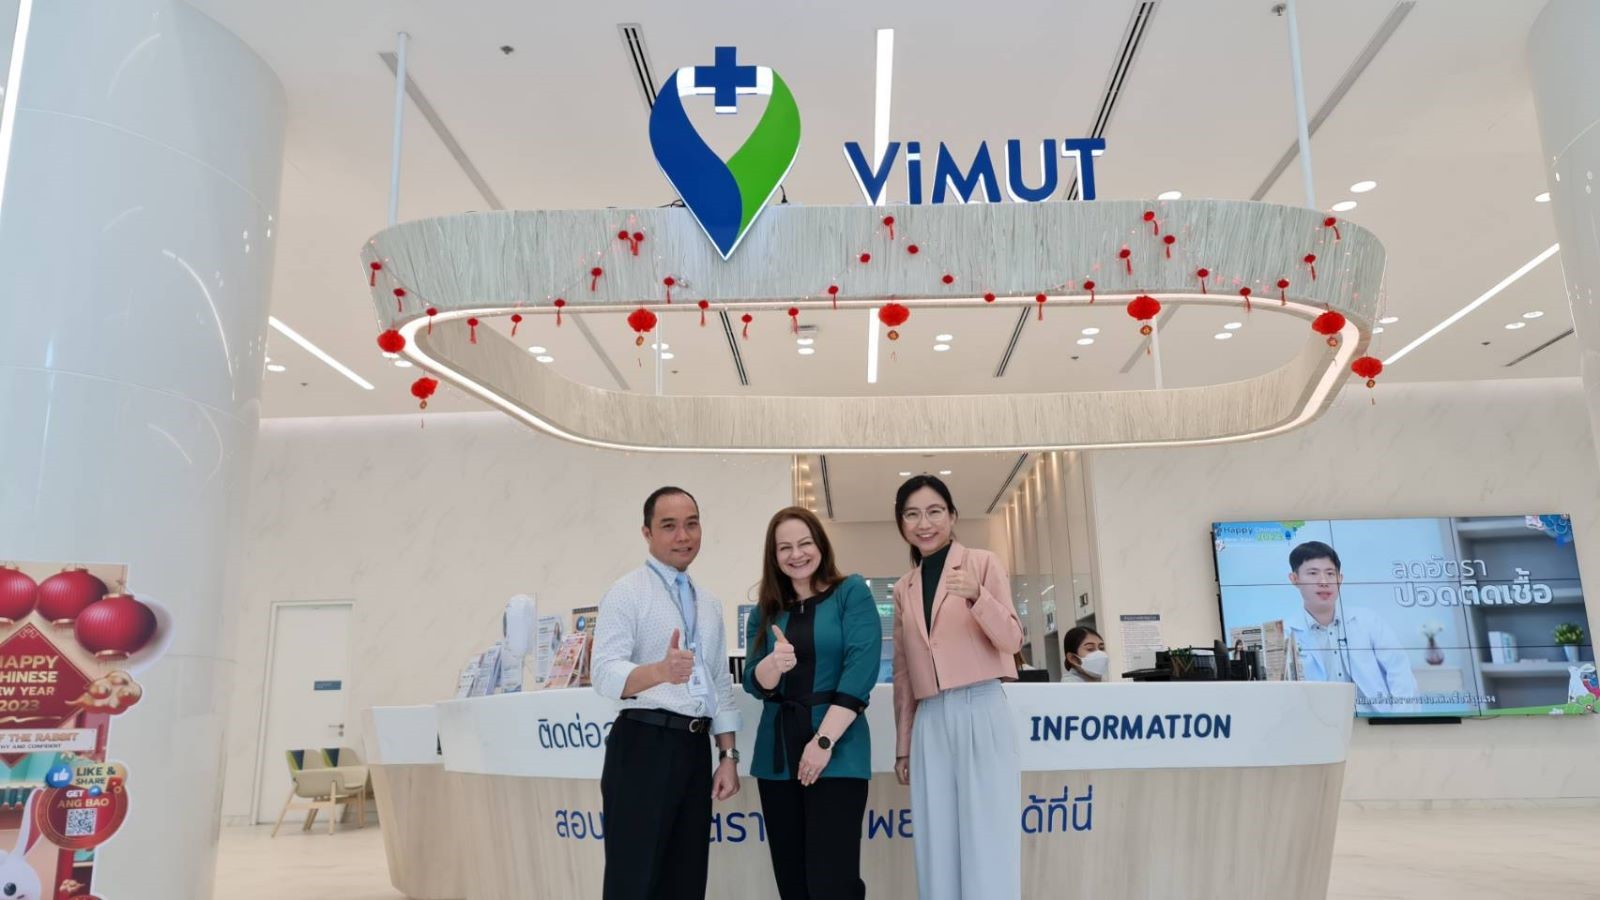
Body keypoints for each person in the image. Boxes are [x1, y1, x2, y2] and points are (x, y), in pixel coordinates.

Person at [591, 487, 742, 900]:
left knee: (686, 879)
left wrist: (727, 756)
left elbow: (719, 683)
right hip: (643, 744)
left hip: (694, 749)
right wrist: (660, 671)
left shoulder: (708, 603)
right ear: (647, 533)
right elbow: (603, 672)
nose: (683, 536)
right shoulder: (627, 592)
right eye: (669, 526)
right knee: (634, 881)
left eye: (691, 524)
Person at [889, 475, 1024, 900]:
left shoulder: (982, 564)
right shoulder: (904, 588)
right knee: (937, 843)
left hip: (980, 706)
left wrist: (978, 596)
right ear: (902, 523)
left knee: (989, 838)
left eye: (934, 512)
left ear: (952, 516)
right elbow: (904, 672)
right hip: (930, 719)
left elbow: (1012, 640)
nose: (924, 523)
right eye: (912, 515)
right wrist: (903, 745)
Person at [743, 507, 880, 899]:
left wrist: (823, 741)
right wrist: (773, 664)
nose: (796, 554)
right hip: (778, 756)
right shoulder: (765, 611)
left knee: (833, 882)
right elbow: (754, 681)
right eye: (784, 547)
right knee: (793, 882)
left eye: (804, 543)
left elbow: (860, 671)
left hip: (838, 751)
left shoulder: (851, 592)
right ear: (774, 556)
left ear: (820, 544)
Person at [1285, 540, 1418, 710]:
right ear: (1294, 579)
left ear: (1340, 579)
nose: (1324, 581)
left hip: (1374, 721)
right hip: (1316, 723)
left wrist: (1398, 720)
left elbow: (1399, 672)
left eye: (1330, 573)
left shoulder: (1368, 621)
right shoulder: (1285, 634)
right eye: (1313, 573)